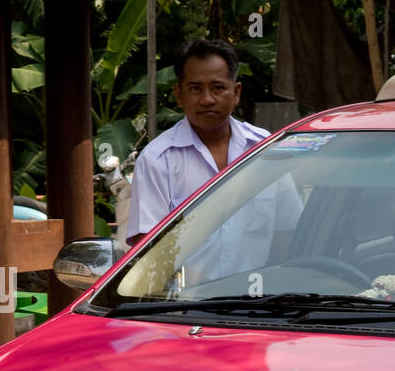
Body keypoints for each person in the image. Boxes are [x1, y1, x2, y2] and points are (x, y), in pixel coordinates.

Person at [127, 38, 302, 282]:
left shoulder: (266, 150)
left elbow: (287, 233)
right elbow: (146, 250)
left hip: (259, 304)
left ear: (236, 92)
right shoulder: (158, 159)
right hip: (182, 309)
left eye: (218, 88)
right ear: (179, 95)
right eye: (195, 89)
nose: (207, 99)